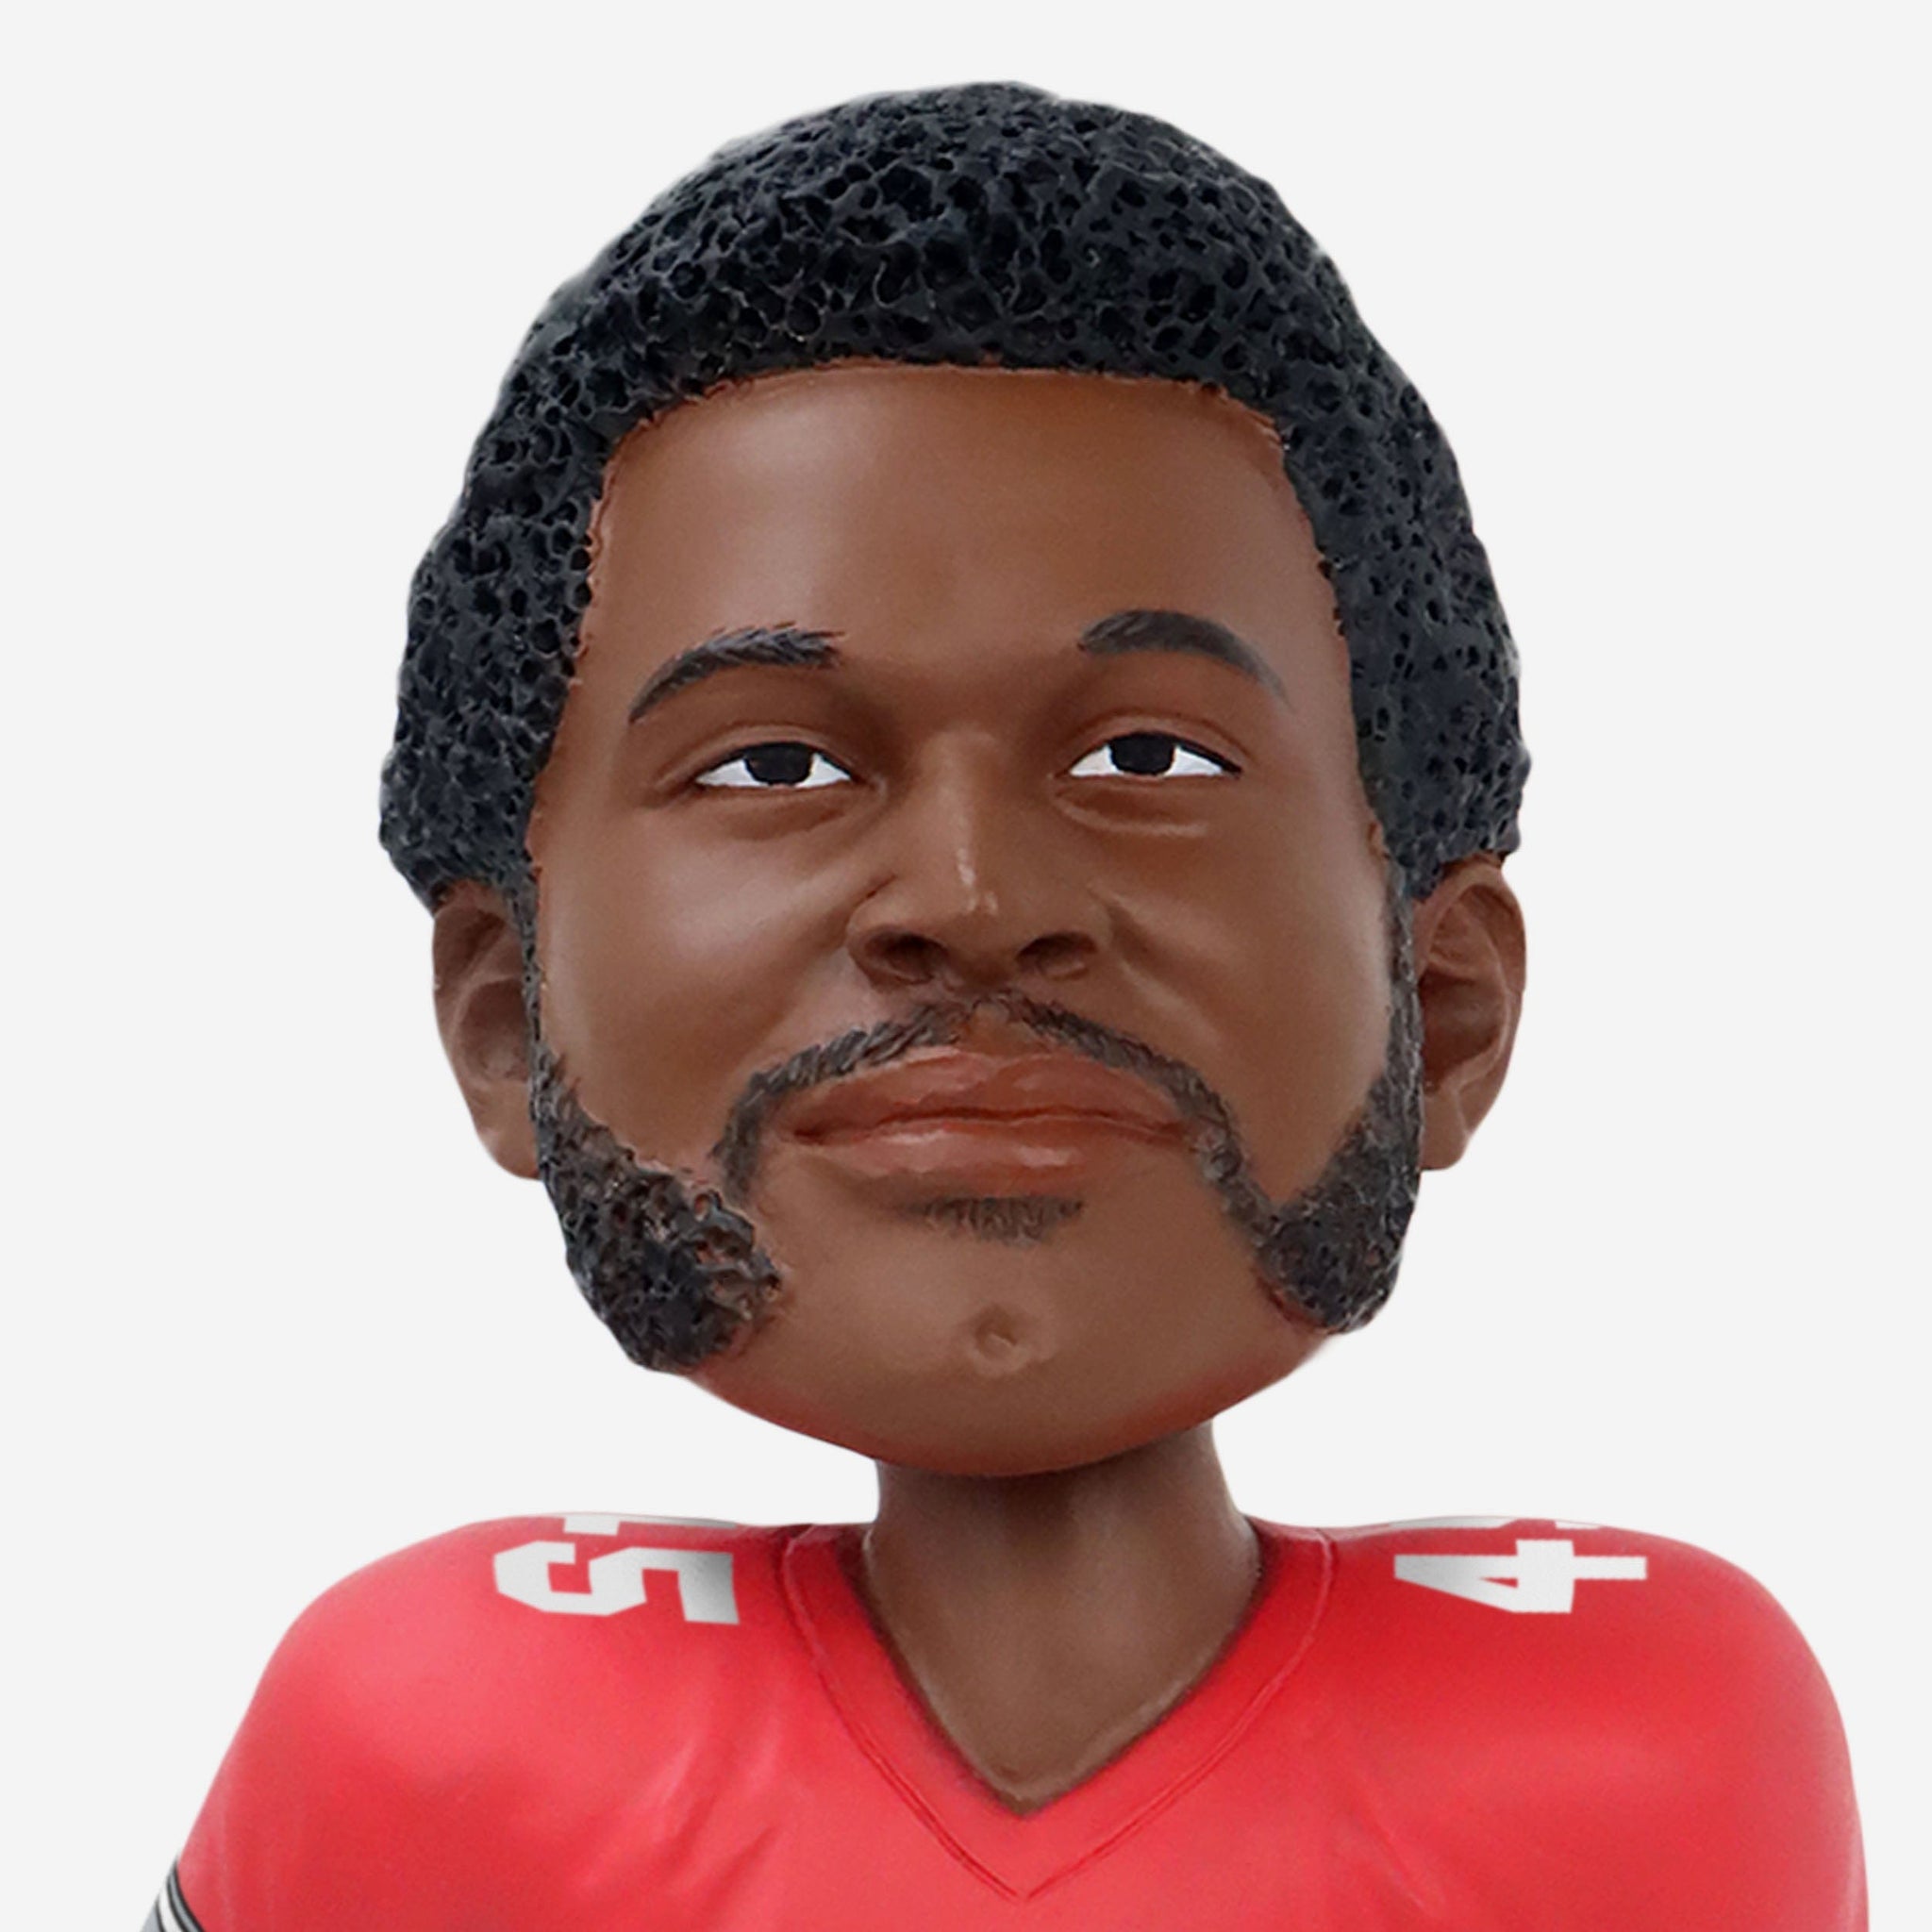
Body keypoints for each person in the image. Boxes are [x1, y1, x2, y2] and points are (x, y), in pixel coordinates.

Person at [145, 83, 1864, 1929]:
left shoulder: (1635, 1754)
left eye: (1147, 756)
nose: (972, 904)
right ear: (506, 1018)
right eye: (779, 767)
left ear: (1439, 1006)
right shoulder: (430, 1739)